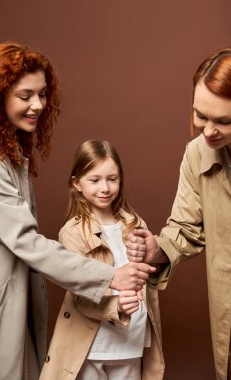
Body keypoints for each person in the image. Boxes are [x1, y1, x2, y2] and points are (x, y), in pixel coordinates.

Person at [0, 42, 153, 380]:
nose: (38, 105)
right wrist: (108, 276)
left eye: (42, 94)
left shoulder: (8, 152)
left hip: (13, 301)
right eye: (25, 95)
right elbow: (25, 241)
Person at [126, 47, 231, 380]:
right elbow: (185, 228)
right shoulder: (198, 154)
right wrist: (156, 248)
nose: (208, 129)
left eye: (223, 120)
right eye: (201, 115)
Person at [40, 139, 164, 380]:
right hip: (93, 346)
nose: (105, 188)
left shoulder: (135, 224)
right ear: (77, 183)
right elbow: (80, 293)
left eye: (112, 179)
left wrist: (151, 254)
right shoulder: (73, 232)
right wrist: (115, 306)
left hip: (132, 342)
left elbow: (151, 274)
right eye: (94, 180)